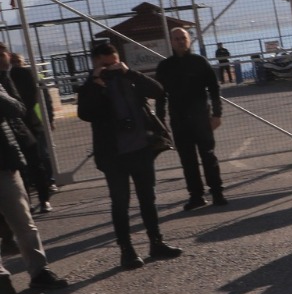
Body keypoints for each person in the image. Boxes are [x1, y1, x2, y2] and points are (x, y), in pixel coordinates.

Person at [76, 41, 184, 270]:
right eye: (105, 65)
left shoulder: (129, 78)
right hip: (113, 155)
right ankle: (127, 251)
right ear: (95, 64)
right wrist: (96, 83)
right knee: (120, 203)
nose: (110, 68)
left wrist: (129, 72)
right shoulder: (90, 85)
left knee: (148, 199)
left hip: (141, 149)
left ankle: (157, 243)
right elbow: (85, 113)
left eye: (113, 63)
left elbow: (158, 90)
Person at [0, 72, 70, 294]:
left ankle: (39, 272)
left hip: (3, 165)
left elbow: (19, 109)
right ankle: (1, 279)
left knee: (23, 222)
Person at [156, 29, 228, 210]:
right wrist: (160, 121)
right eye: (177, 39)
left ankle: (217, 193)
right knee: (188, 161)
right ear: (171, 42)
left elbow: (214, 88)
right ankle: (196, 196)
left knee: (208, 157)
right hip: (179, 121)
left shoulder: (199, 62)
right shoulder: (165, 66)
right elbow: (160, 96)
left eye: (184, 38)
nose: (181, 41)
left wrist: (217, 114)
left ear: (189, 40)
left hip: (201, 118)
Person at [0, 43, 57, 213]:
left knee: (36, 163)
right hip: (8, 130)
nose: (4, 57)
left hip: (26, 126)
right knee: (19, 169)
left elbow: (29, 99)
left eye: (4, 53)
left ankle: (44, 198)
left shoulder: (21, 73)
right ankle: (27, 202)